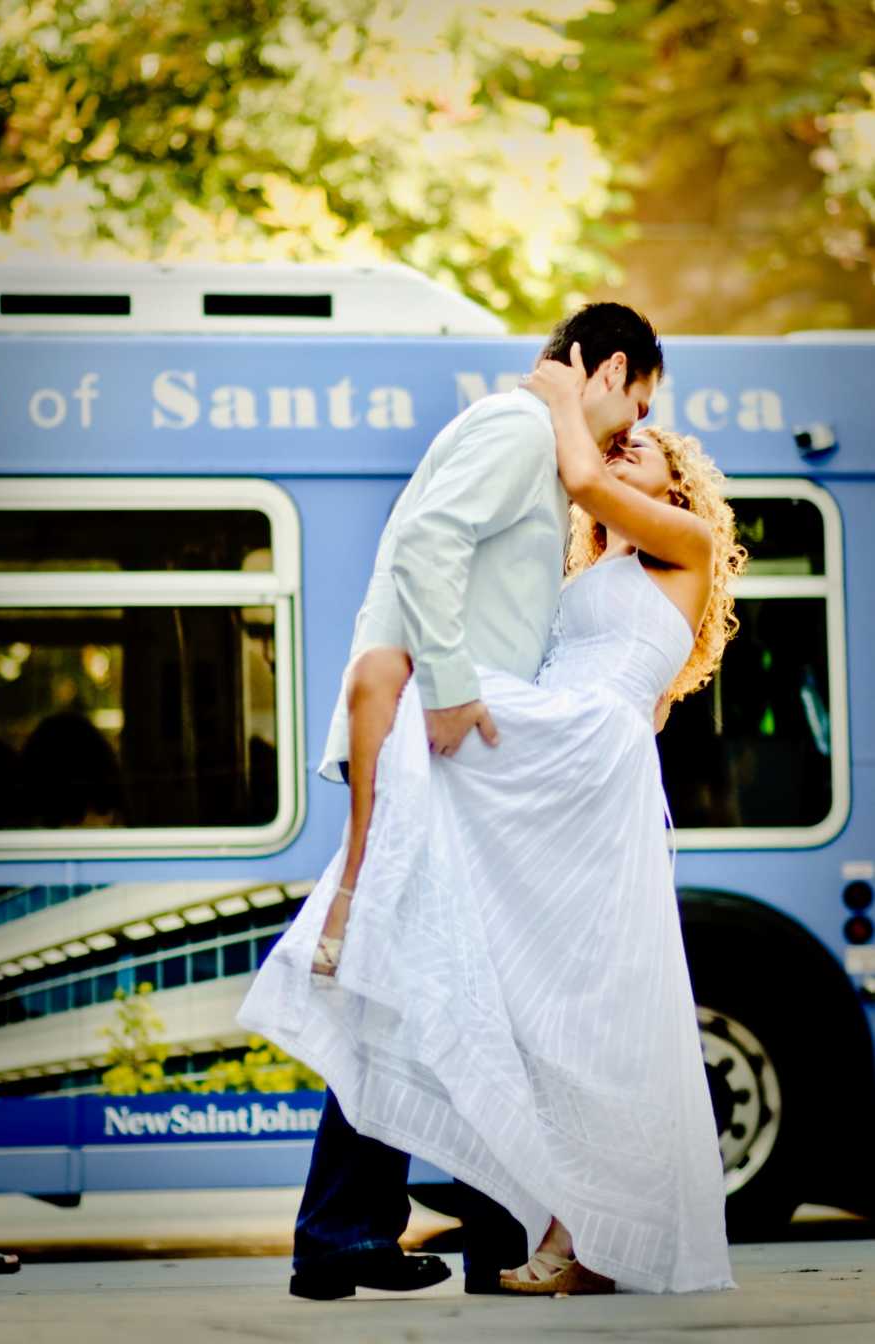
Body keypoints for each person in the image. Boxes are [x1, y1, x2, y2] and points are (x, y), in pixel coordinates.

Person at [240, 347, 748, 1298]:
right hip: (556, 761)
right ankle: (478, 1231)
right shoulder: (599, 569)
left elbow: (586, 480)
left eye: (646, 442)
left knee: (458, 953)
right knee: (486, 987)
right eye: (625, 424)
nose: (624, 444)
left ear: (677, 486)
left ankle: (353, 907)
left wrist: (563, 396)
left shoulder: (683, 537)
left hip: (568, 757)